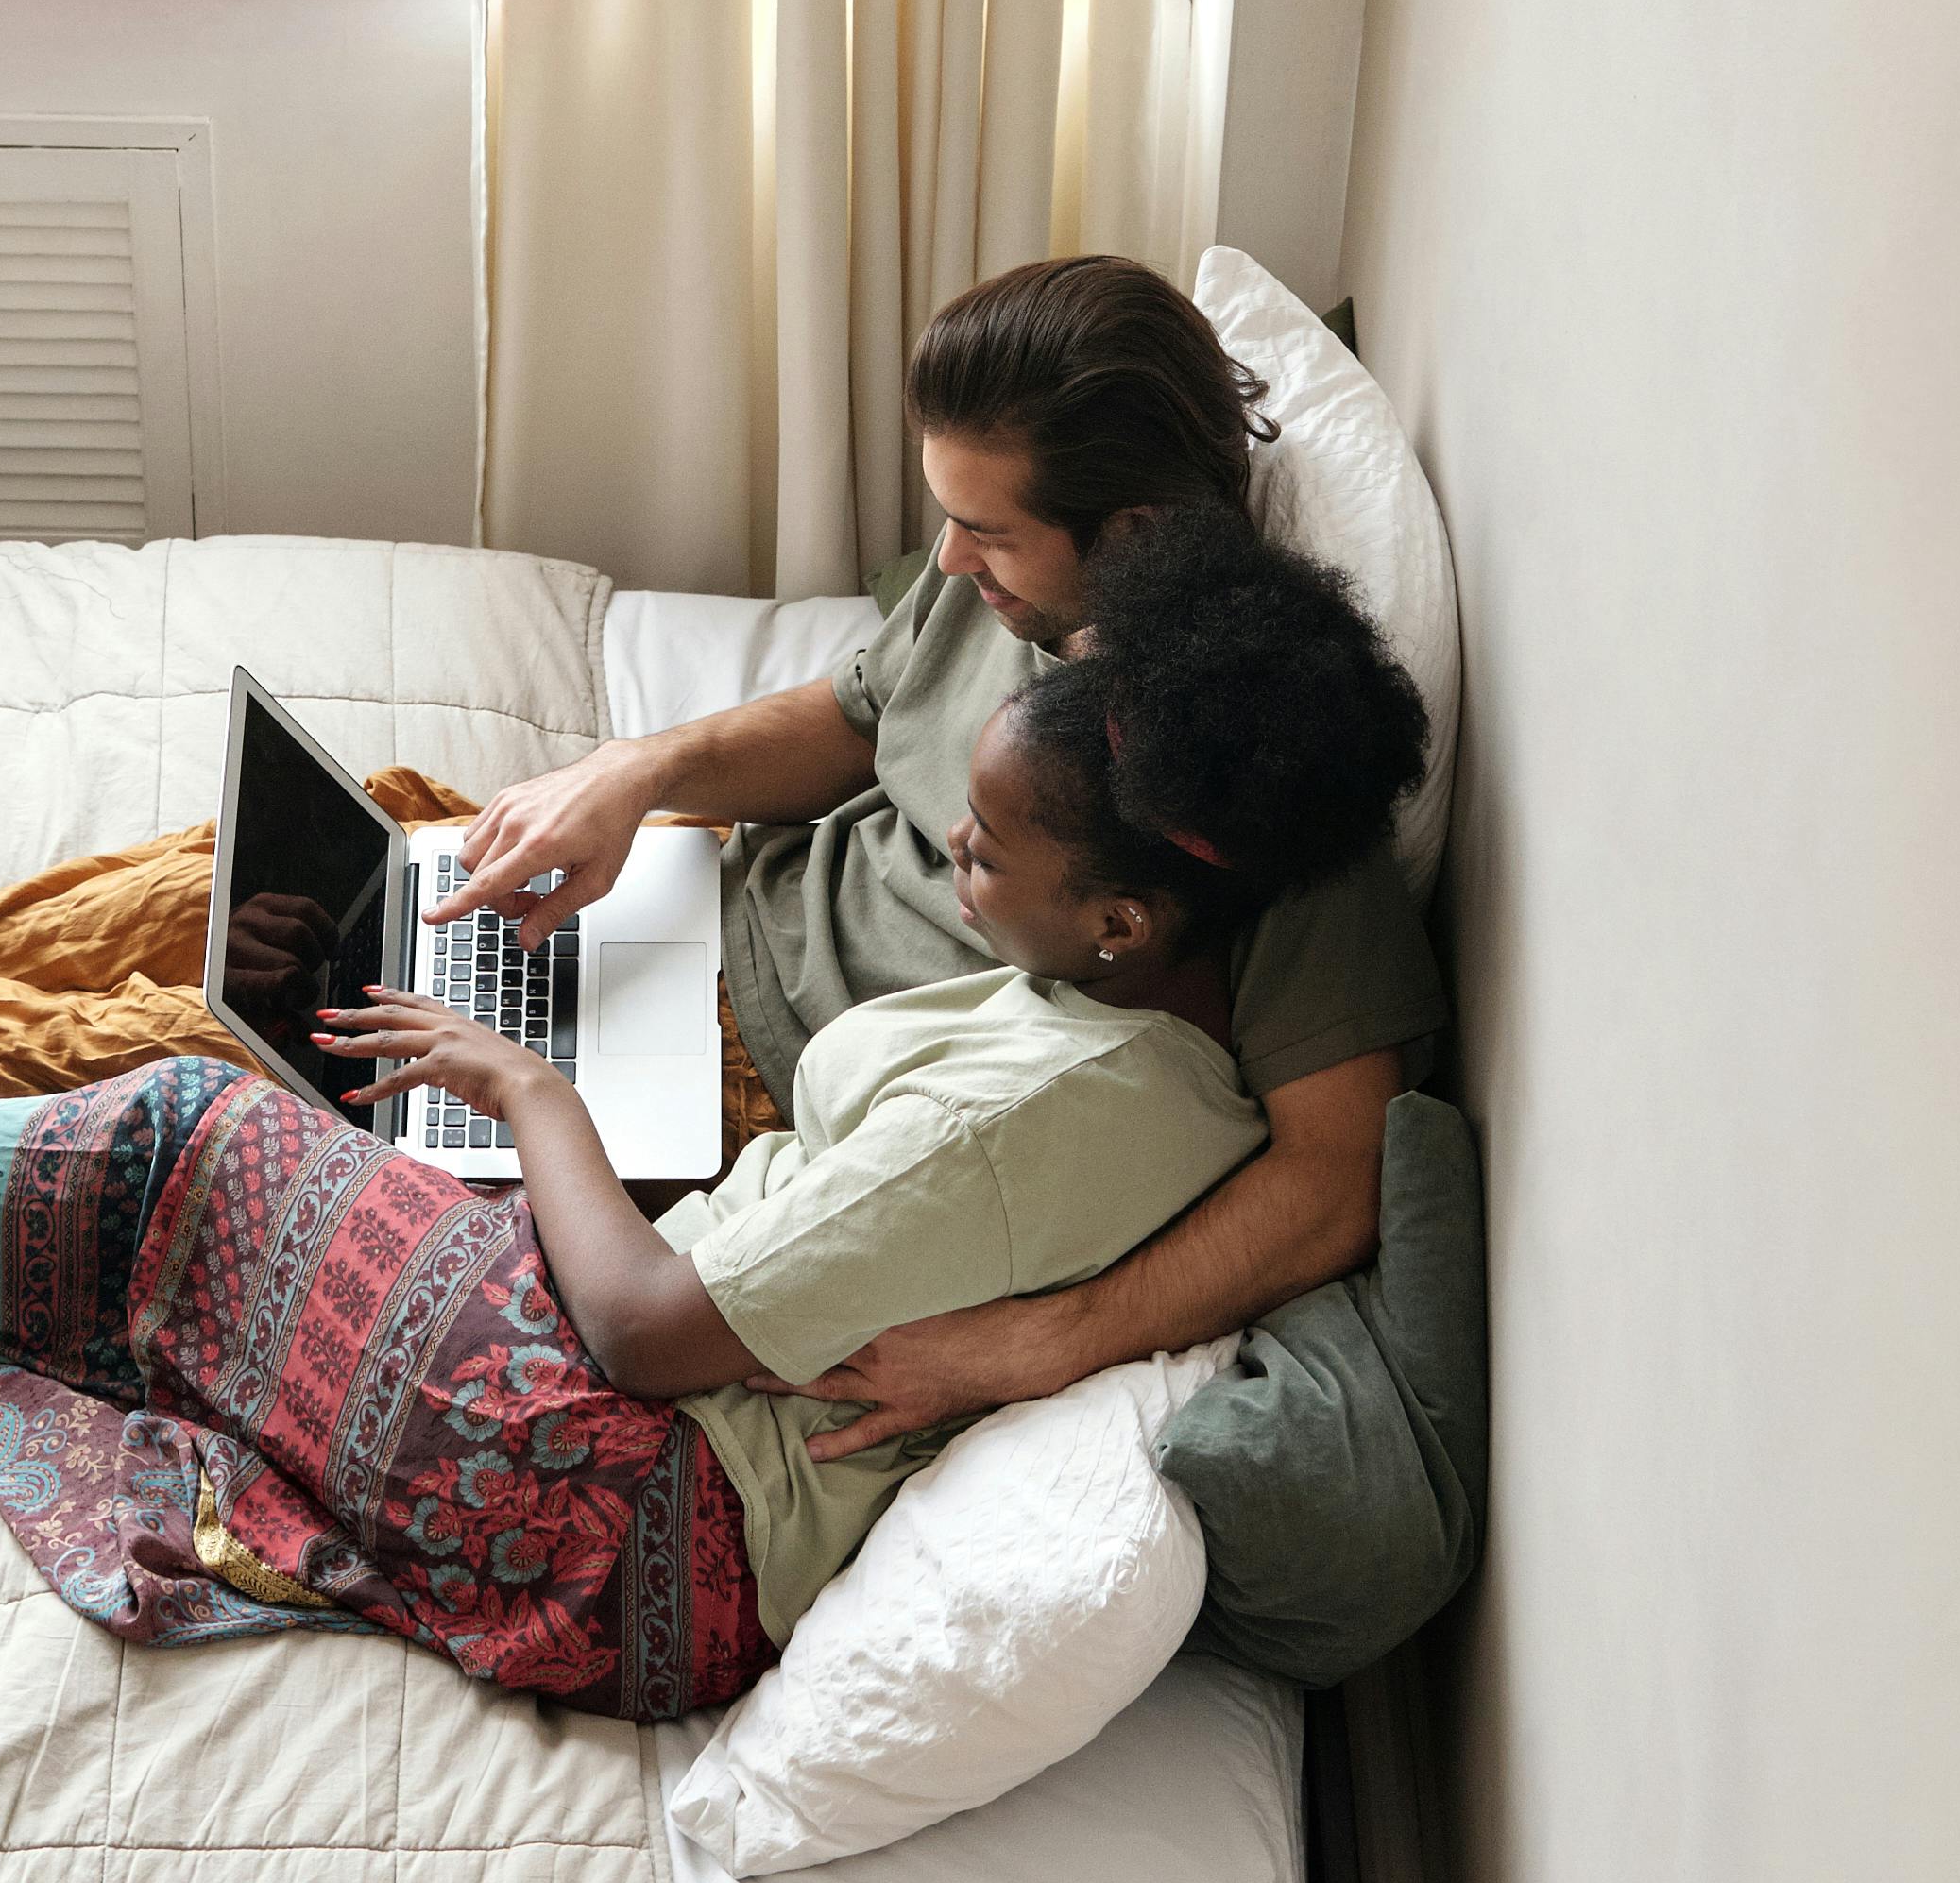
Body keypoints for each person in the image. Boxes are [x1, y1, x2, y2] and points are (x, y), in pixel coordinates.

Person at [0, 513, 1430, 1722]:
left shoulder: (1038, 1111)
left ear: (1124, 919)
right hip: (641, 1437)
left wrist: (524, 1091)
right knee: (274, 942)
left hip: (616, 1501)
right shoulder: (1127, 1011)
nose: (941, 847)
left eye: (983, 856)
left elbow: (651, 1330)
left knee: (196, 1121)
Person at [434, 250, 1444, 1465]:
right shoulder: (1005, 588)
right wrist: (632, 775)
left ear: (1130, 534)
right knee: (259, 897)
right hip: (703, 897)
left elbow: (1333, 1178)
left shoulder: (1260, 771)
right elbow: (857, 715)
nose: (948, 563)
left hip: (752, 1086)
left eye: (984, 530)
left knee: (219, 1059)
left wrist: (1050, 1339)